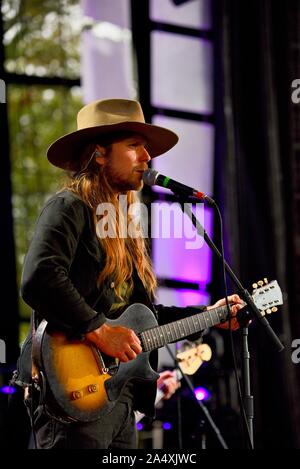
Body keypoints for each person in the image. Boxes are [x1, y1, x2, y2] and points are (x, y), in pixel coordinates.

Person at [16, 98, 243, 449]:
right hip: (73, 393)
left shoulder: (125, 228)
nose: (147, 158)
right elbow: (39, 276)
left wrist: (209, 316)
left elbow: (141, 321)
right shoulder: (69, 206)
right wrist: (99, 331)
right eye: (134, 146)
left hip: (118, 400)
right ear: (99, 154)